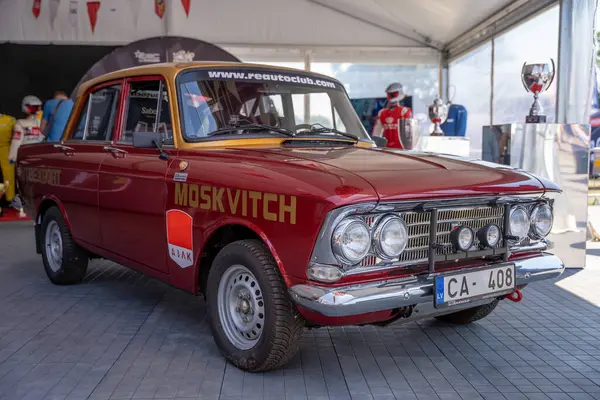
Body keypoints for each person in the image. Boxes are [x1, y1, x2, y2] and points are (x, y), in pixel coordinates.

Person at [9, 95, 44, 217]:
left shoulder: (21, 123)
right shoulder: (43, 123)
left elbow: (16, 141)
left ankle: (25, 207)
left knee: (25, 184)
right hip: (41, 157)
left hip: (26, 158)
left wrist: (12, 158)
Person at [371, 82, 413, 149]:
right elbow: (376, 134)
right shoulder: (382, 113)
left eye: (393, 94)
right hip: (388, 149)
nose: (391, 96)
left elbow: (408, 134)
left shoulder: (404, 111)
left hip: (401, 149)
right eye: (390, 94)